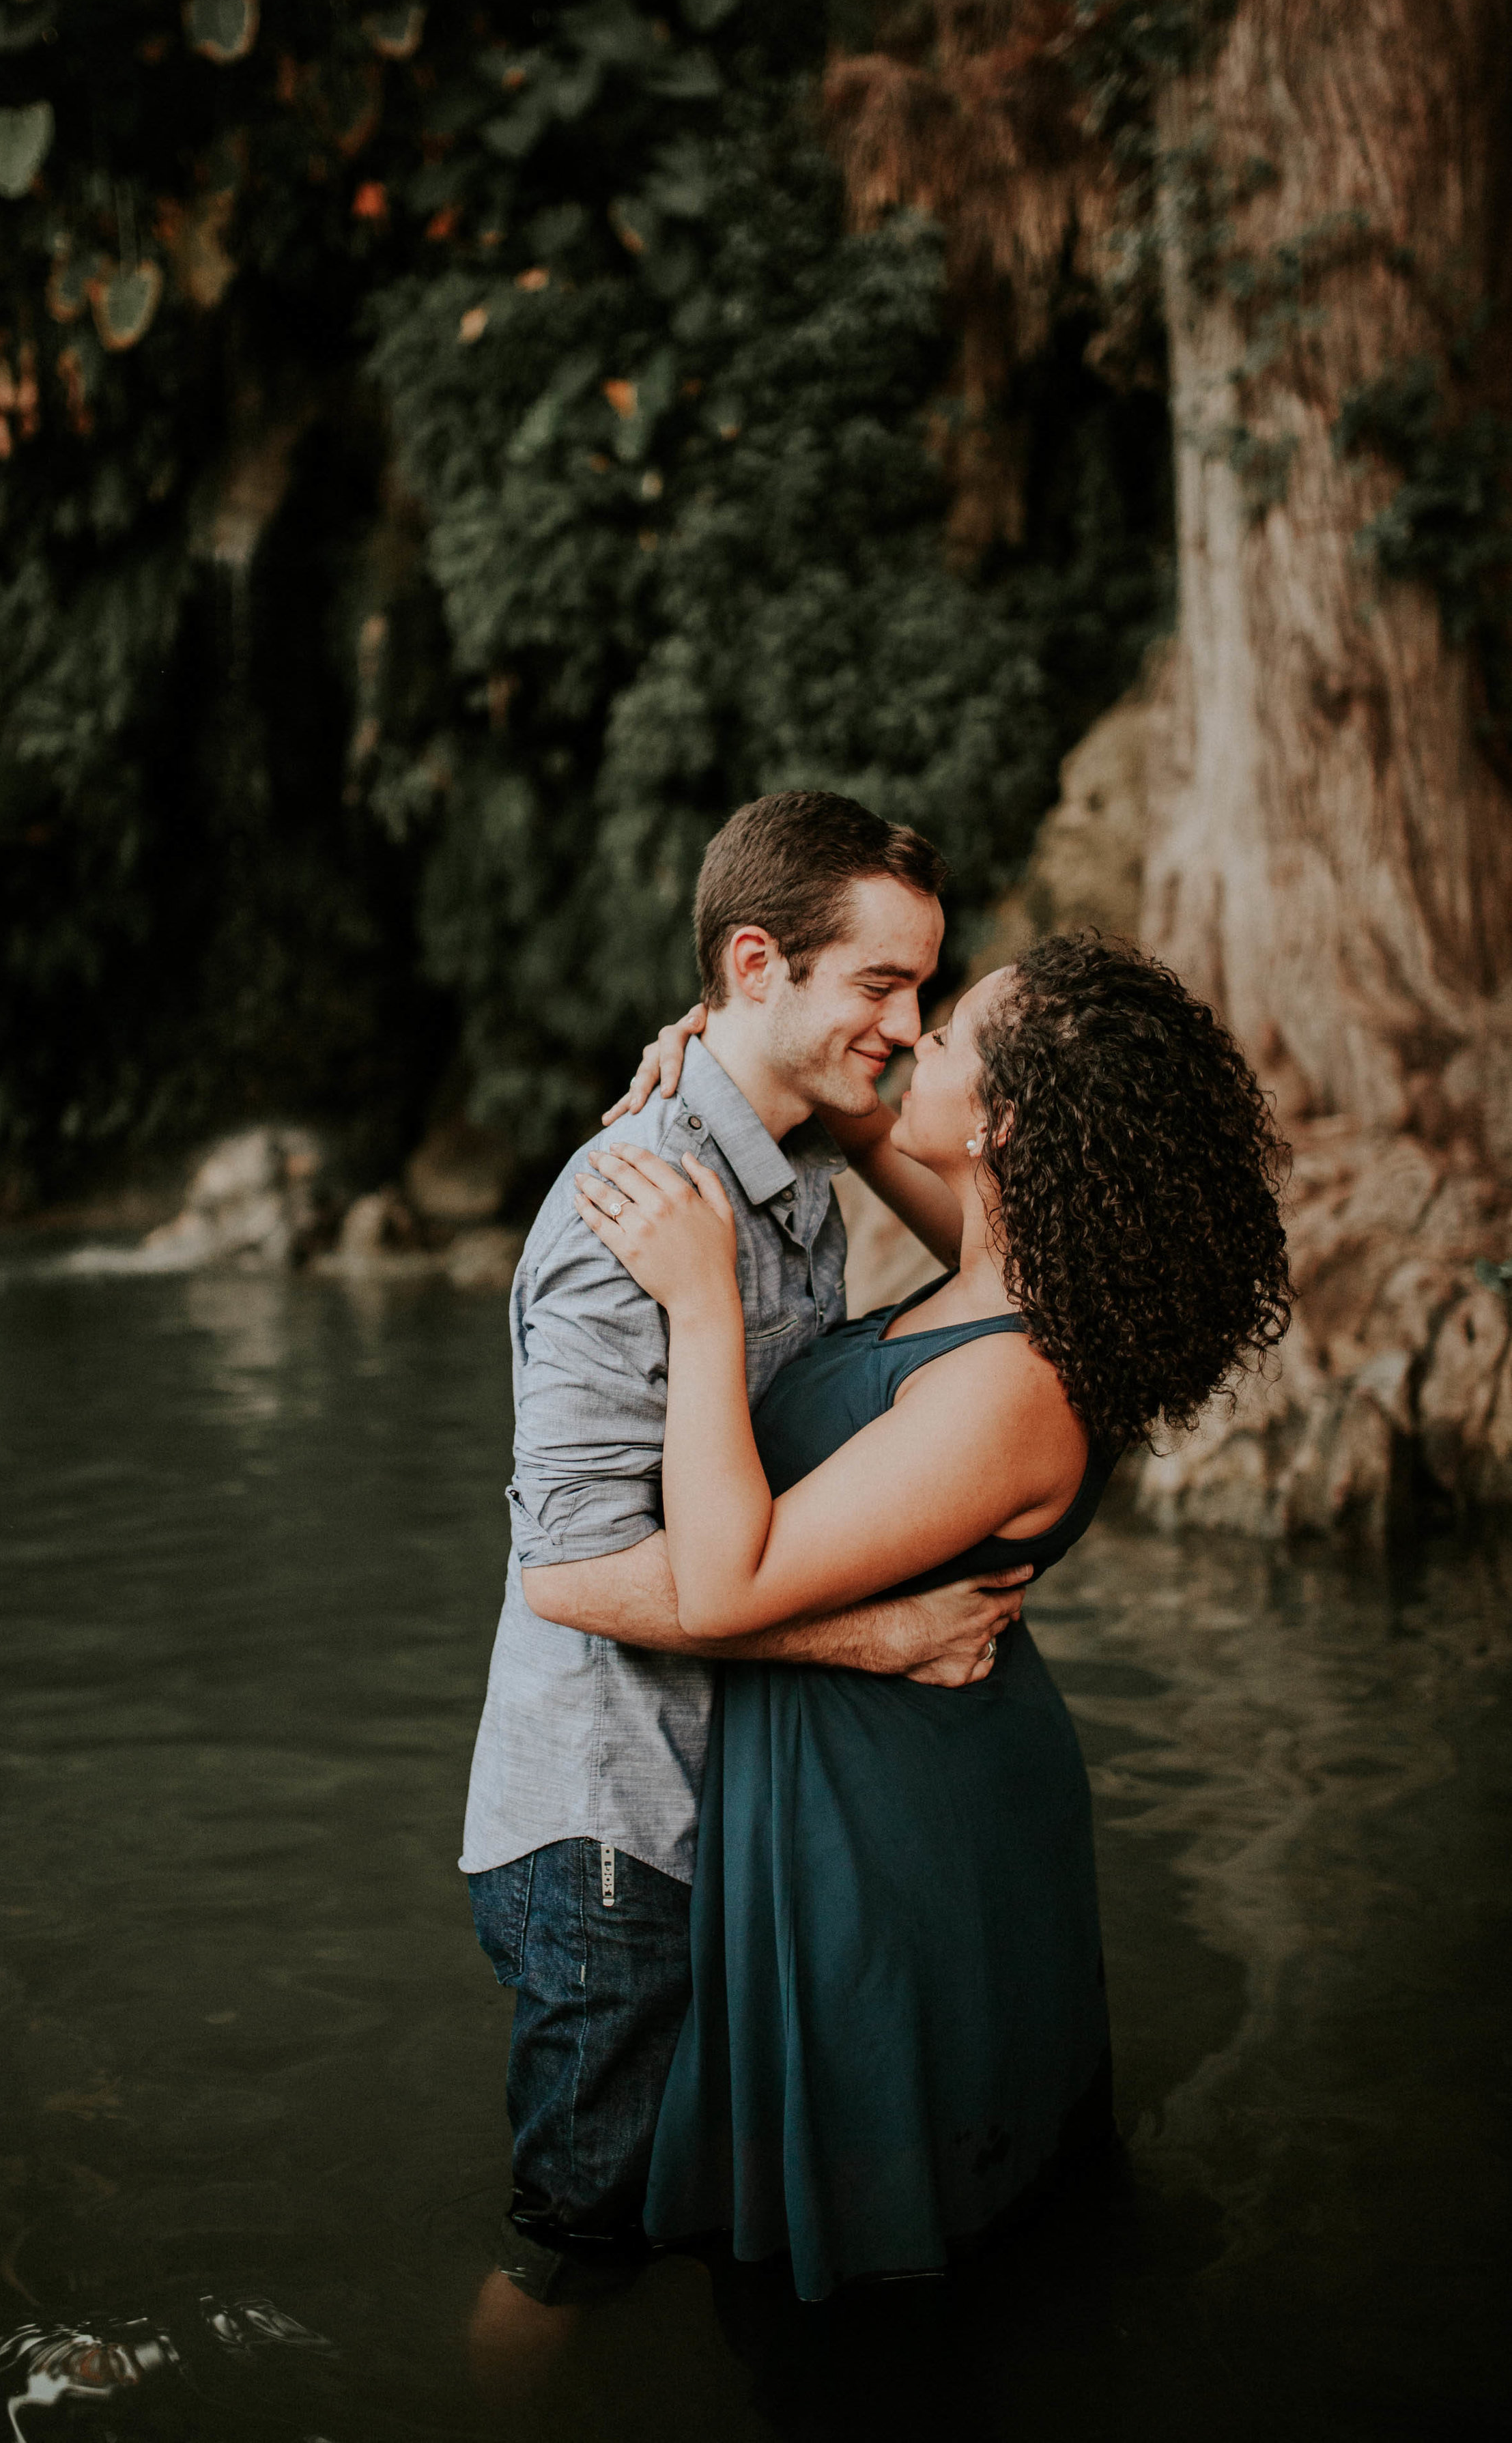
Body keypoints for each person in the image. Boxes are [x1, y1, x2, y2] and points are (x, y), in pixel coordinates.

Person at [575, 932, 1292, 2301]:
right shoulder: (1001, 1260)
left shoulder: (1013, 1386)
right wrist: (702, 1057)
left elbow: (723, 1584)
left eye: (947, 1036)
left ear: (1004, 1121)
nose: (911, 1042)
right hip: (874, 1753)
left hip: (885, 1821)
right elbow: (834, 1099)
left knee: (899, 2257)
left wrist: (698, 1299)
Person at [461, 792, 1034, 2344]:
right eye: (880, 987)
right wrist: (874, 1639)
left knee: (693, 2237)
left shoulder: (783, 1164)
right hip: (610, 1838)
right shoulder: (628, 1212)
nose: (910, 1030)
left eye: (924, 991)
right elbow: (569, 1579)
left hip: (724, 1816)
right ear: (758, 960)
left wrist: (738, 1049)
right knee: (570, 2252)